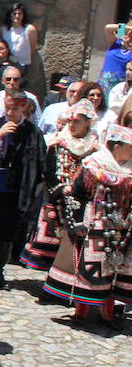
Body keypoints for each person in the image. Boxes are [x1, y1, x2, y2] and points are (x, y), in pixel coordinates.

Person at [43, 126, 132, 324]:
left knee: (114, 270)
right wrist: (76, 223)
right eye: (130, 146)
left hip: (122, 226)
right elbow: (77, 194)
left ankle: (107, 312)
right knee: (89, 268)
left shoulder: (130, 170)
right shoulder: (94, 165)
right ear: (117, 146)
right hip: (96, 223)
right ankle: (81, 310)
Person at [22, 98, 98, 275]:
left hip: (83, 202)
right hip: (58, 200)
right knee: (54, 241)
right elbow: (49, 171)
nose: (72, 124)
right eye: (70, 120)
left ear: (88, 122)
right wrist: (61, 188)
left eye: (77, 121)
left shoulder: (95, 149)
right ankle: (50, 283)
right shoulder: (58, 144)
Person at [0, 92, 45, 288]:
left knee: (8, 228)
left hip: (17, 186)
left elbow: (38, 161)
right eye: (7, 108)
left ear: (23, 107)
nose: (10, 112)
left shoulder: (33, 131)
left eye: (14, 109)